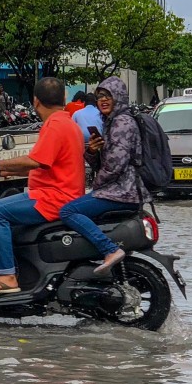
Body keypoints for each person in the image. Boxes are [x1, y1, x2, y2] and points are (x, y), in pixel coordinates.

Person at [0, 77, 84, 294]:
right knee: (4, 211)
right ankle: (22, 271)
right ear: (64, 98)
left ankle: (6, 275)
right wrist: (2, 170)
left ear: (35, 101)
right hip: (58, 193)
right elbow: (45, 164)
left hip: (53, 198)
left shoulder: (55, 125)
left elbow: (35, 161)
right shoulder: (67, 122)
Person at [59, 76, 145, 275]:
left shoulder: (122, 123)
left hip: (123, 192)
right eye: (100, 97)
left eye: (108, 96)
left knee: (68, 211)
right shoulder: (110, 122)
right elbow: (104, 163)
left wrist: (96, 186)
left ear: (119, 97)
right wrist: (92, 151)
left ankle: (109, 249)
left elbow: (115, 166)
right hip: (118, 189)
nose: (103, 100)